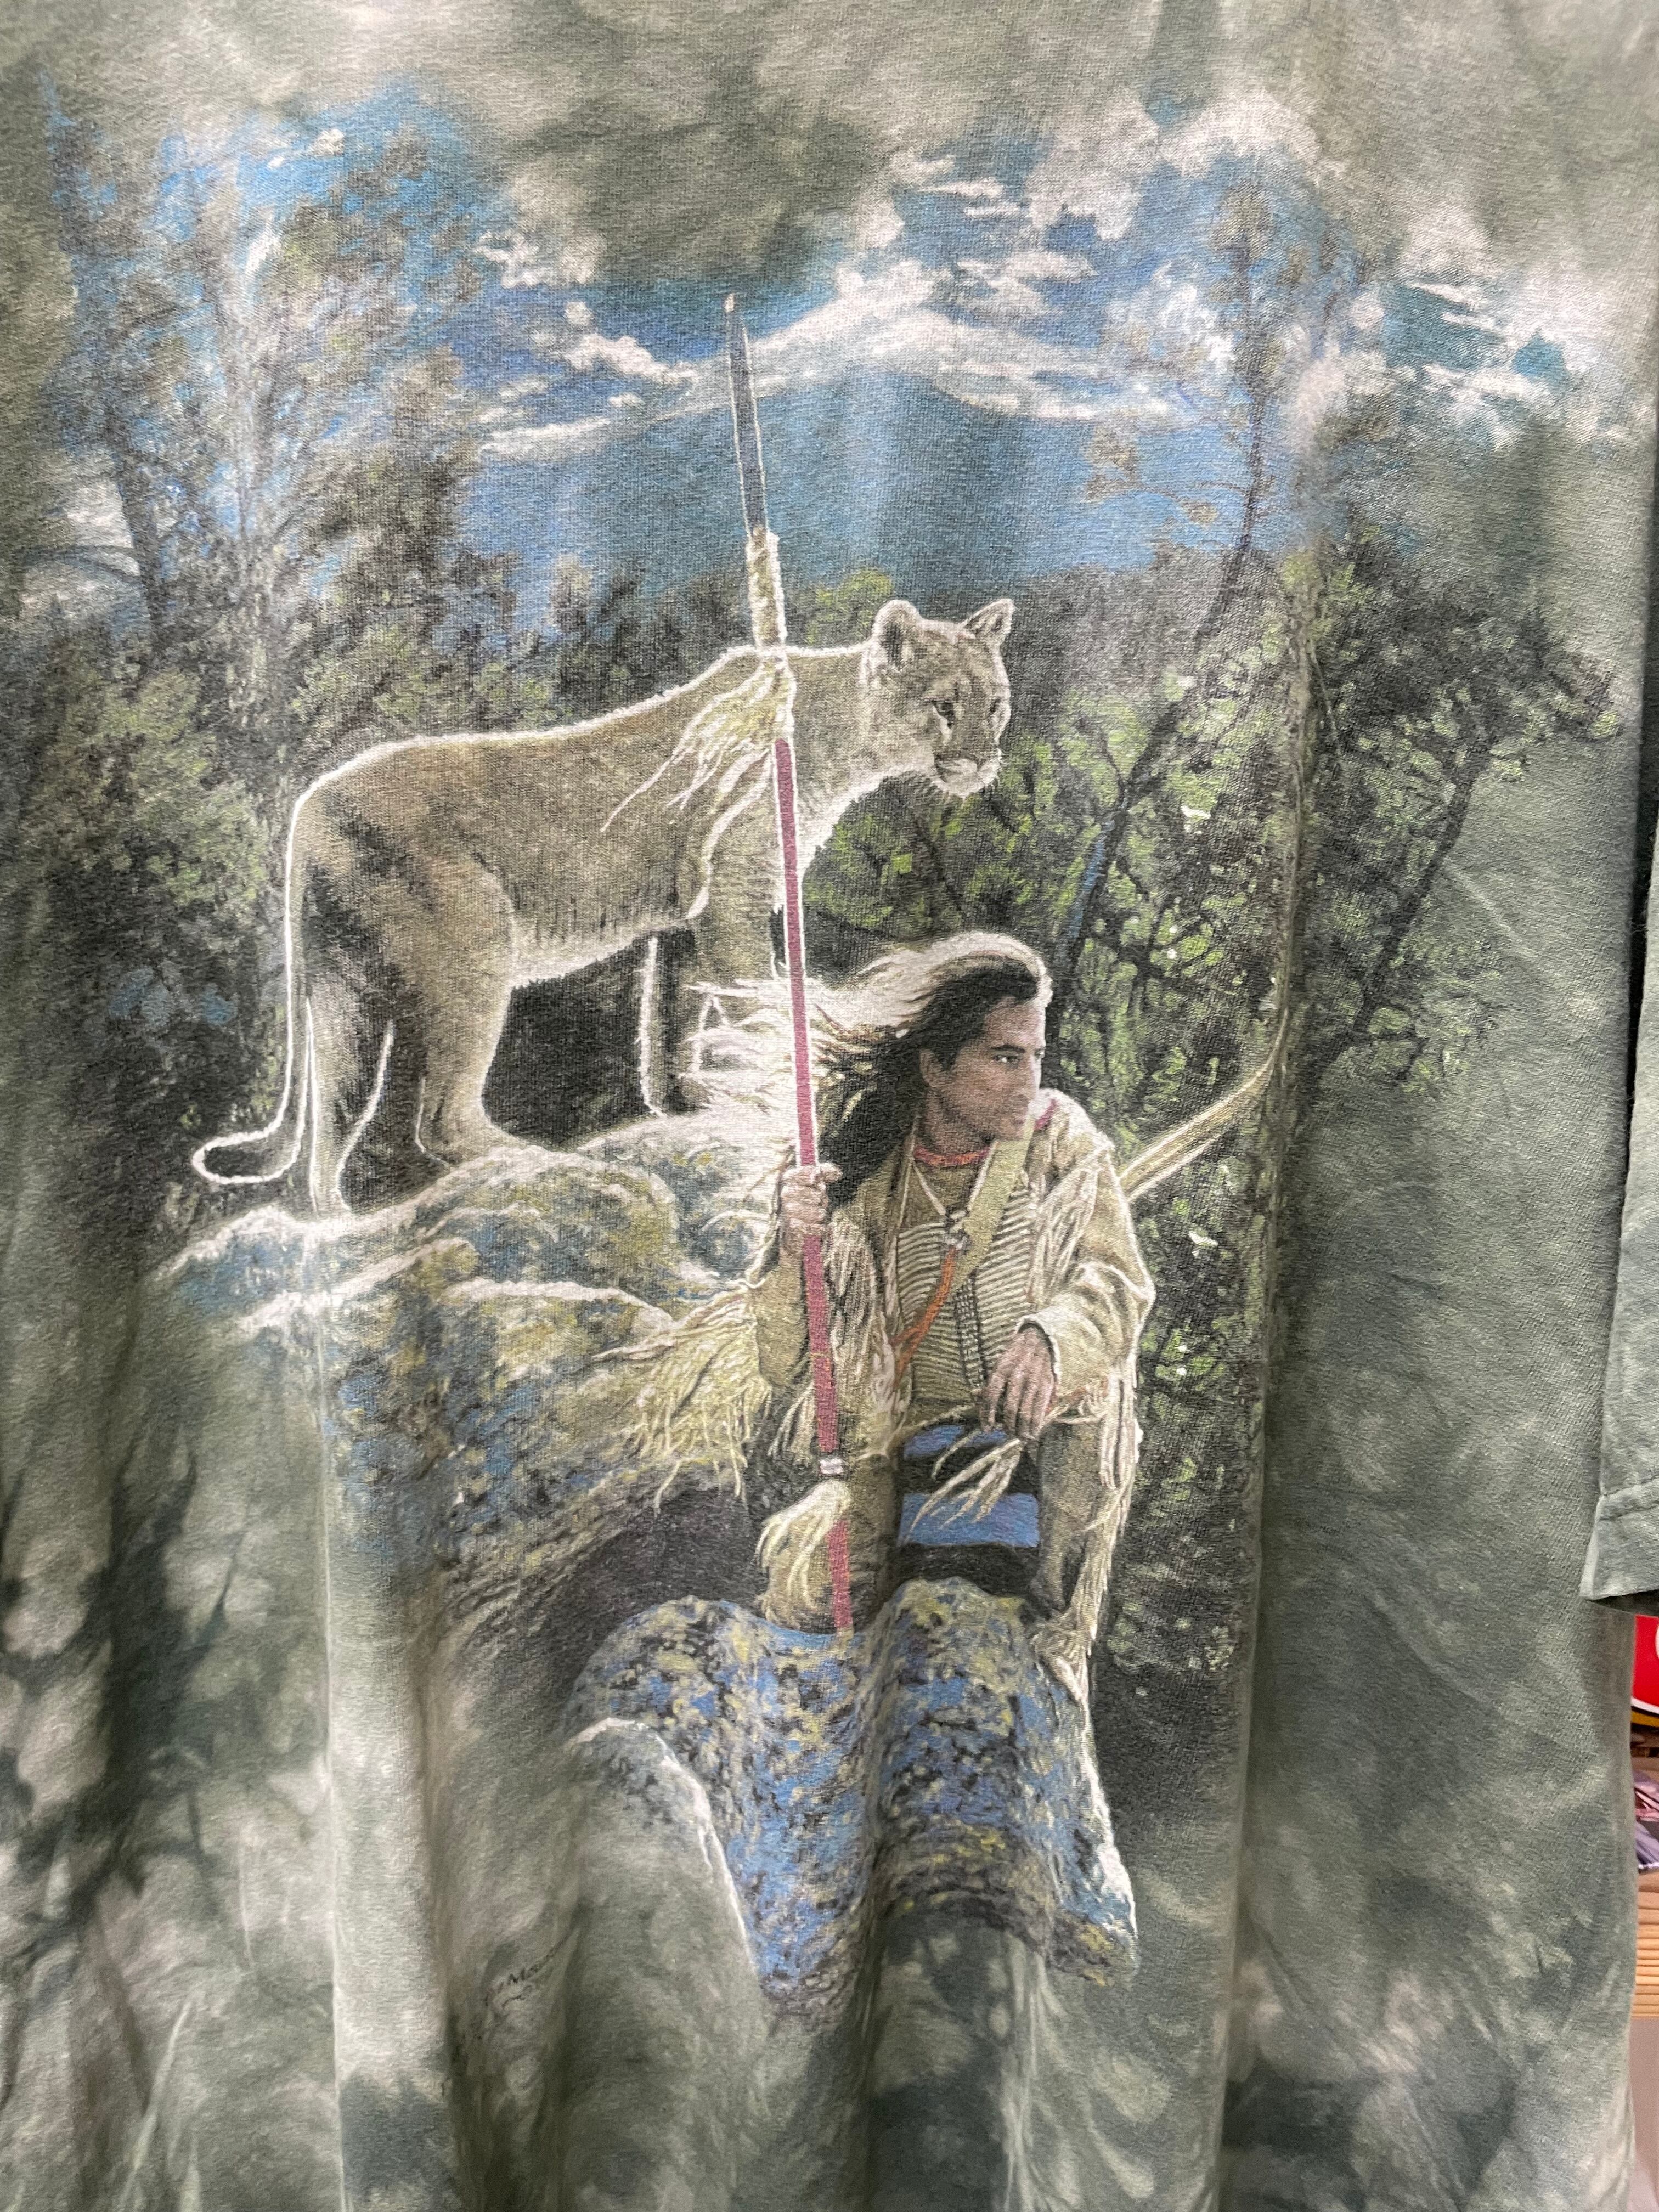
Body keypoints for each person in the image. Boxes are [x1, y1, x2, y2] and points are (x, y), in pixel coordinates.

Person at [748, 932, 1154, 1703]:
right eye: (1004, 1057)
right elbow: (784, 1361)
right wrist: (794, 1246)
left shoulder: (1060, 1142)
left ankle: (1048, 1644)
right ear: (935, 1066)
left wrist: (1050, 1339)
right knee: (812, 1613)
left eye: (1035, 1057)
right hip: (904, 1448)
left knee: (1013, 1646)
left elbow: (1118, 1283)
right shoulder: (864, 1176)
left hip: (1037, 1445)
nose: (1029, 1081)